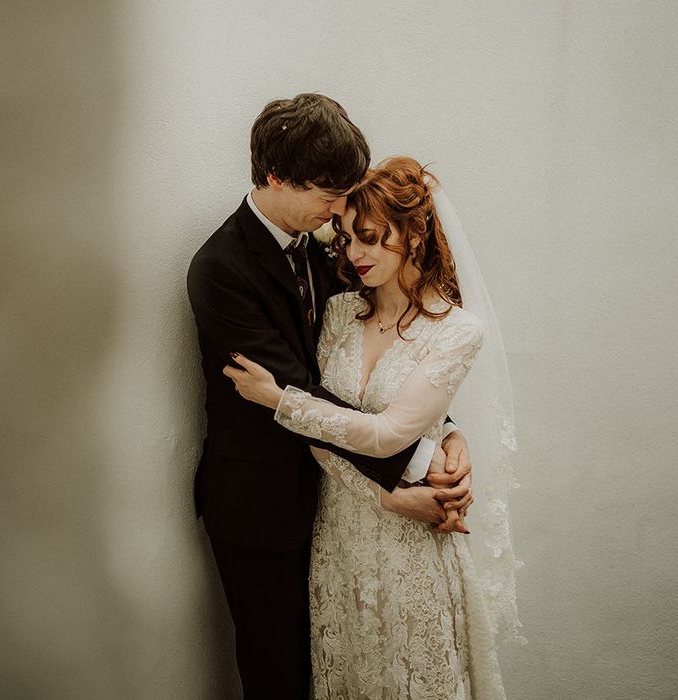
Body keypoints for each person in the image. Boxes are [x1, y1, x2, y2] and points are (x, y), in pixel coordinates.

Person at [187, 95, 474, 699]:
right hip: (259, 506)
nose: (341, 211)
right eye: (329, 194)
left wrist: (444, 430)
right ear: (275, 178)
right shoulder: (221, 268)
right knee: (279, 675)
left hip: (334, 506)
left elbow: (372, 368)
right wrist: (413, 477)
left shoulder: (326, 252)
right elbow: (296, 389)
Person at [225, 156, 522, 698]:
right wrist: (386, 496)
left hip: (412, 546)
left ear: (412, 234)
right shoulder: (338, 312)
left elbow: (385, 434)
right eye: (344, 239)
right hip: (337, 535)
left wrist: (279, 399)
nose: (354, 254)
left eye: (369, 238)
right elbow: (324, 435)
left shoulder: (456, 331)